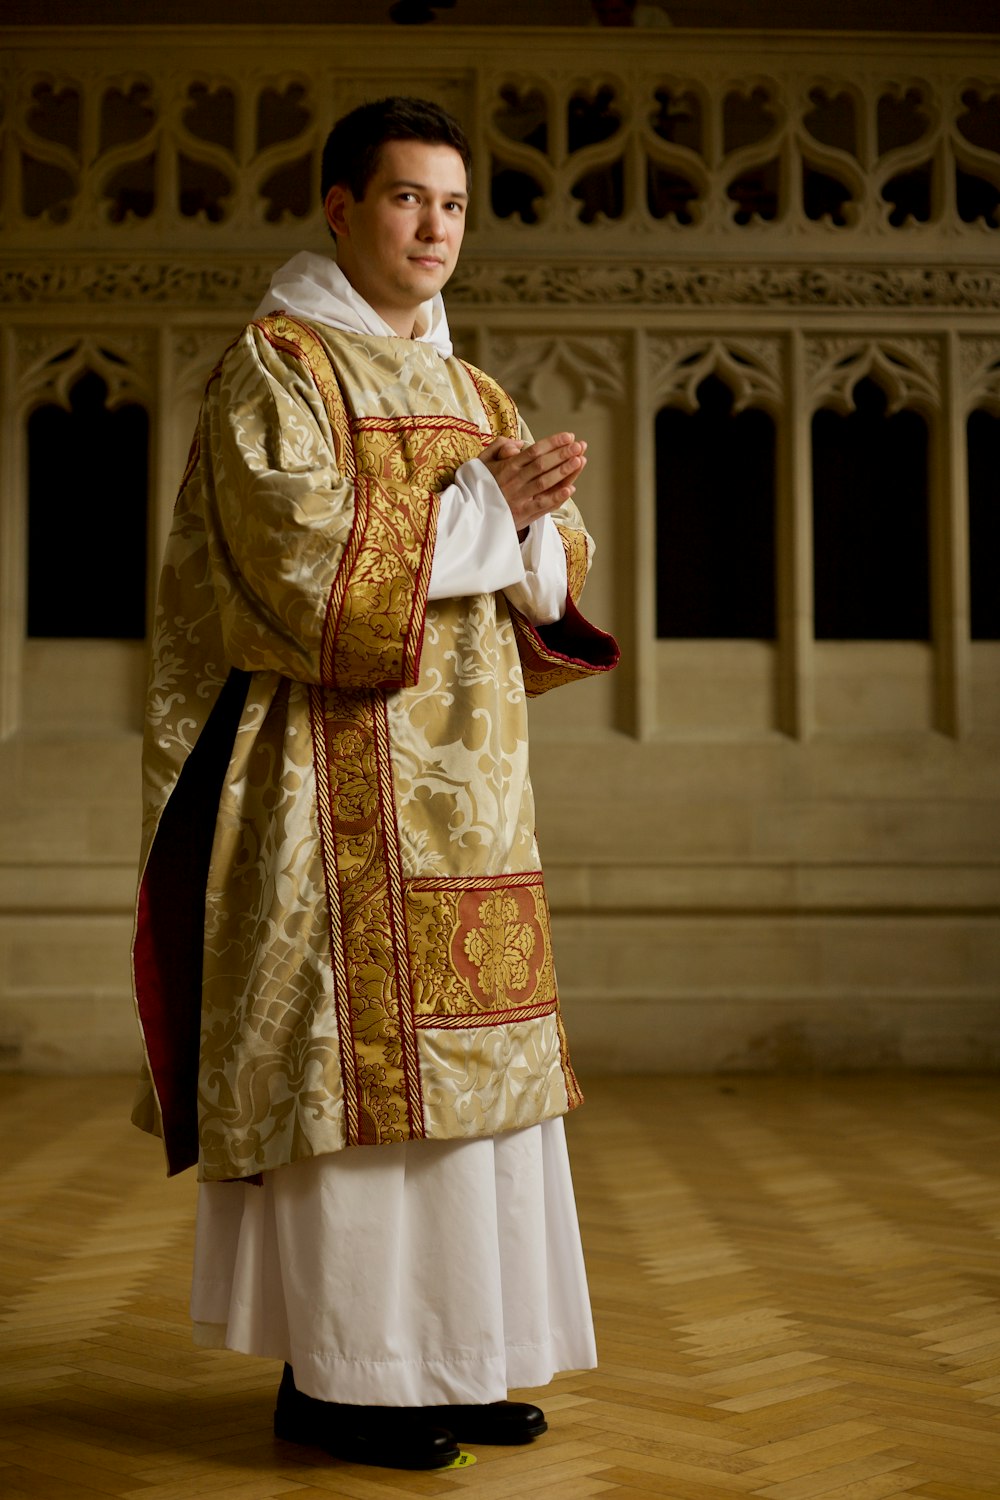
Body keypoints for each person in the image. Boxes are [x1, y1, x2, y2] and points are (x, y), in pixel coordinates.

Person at [130, 95, 618, 1472]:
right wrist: (486, 513)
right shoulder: (276, 366)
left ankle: (449, 1363)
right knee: (357, 1096)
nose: (434, 228)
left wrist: (536, 534)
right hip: (327, 798)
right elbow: (299, 563)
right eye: (408, 199)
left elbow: (548, 576)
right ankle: (344, 1379)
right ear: (341, 208)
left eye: (454, 205)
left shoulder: (475, 389)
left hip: (471, 801)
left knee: (475, 1097)